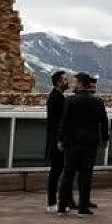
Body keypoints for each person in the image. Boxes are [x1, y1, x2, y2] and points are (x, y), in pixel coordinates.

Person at [57, 72, 109, 215]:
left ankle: (62, 206)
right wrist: (104, 139)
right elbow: (103, 122)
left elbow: (65, 122)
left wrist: (61, 139)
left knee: (68, 174)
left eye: (75, 82)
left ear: (80, 84)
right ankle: (83, 207)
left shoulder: (70, 101)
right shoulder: (97, 101)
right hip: (90, 143)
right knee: (85, 175)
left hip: (72, 143)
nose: (73, 84)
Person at [44, 71, 69, 212]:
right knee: (56, 171)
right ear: (59, 82)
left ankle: (59, 201)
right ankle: (52, 202)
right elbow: (58, 122)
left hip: (57, 140)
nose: (68, 82)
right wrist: (60, 139)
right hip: (57, 141)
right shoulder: (56, 98)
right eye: (65, 79)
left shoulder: (58, 97)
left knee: (58, 171)